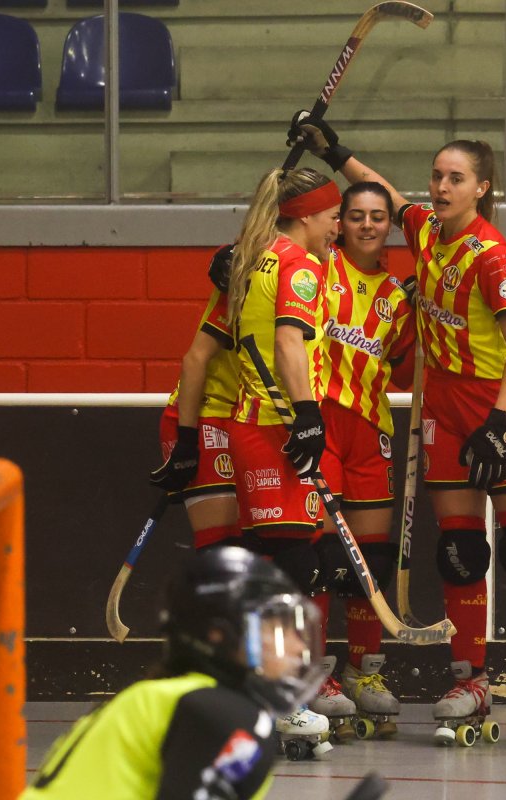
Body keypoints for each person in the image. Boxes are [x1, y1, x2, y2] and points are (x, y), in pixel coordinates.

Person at [288, 115, 506, 747]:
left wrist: (498, 422)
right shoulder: (428, 233)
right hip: (442, 413)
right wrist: (334, 151)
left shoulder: (495, 258)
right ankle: (471, 679)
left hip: (498, 414)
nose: (440, 187)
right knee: (459, 555)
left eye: (455, 178)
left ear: (482, 188)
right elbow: (379, 189)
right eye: (437, 176)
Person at [19, 546, 327, 799]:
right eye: (277, 628)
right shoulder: (223, 713)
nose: (297, 644)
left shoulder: (164, 695)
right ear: (220, 635)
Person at [225, 165, 343, 742]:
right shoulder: (298, 266)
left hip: (254, 428)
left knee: (271, 564)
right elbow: (288, 340)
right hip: (273, 429)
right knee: (292, 569)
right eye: (333, 215)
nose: (338, 227)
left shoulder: (256, 256)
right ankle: (276, 701)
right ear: (306, 215)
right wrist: (308, 415)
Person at [306, 182, 416, 739]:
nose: (368, 225)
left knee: (367, 557)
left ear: (389, 226)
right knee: (325, 555)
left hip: (372, 429)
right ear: (340, 223)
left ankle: (363, 672)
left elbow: (401, 372)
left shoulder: (397, 297)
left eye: (378, 216)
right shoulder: (317, 271)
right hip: (322, 423)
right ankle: (315, 674)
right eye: (356, 216)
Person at [149, 245, 243, 552]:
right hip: (209, 414)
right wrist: (186, 440)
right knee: (223, 550)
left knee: (261, 549)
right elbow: (195, 359)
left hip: (257, 424)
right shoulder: (254, 274)